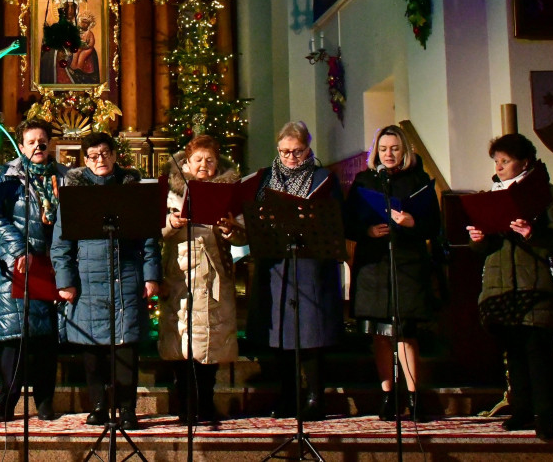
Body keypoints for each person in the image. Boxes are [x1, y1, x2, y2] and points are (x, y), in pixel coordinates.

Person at [51, 132, 161, 431]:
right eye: (93, 155)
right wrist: (66, 282)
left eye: (105, 153)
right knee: (92, 349)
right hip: (87, 279)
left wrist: (150, 275)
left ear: (115, 155)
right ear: (84, 159)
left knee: (126, 346)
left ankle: (127, 408)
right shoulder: (74, 193)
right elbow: (61, 245)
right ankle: (98, 405)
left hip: (126, 275)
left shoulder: (131, 189)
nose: (100, 160)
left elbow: (149, 239)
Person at [467, 133, 553, 441]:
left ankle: (544, 415)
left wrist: (531, 233)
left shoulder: (546, 195)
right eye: (496, 161)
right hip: (502, 287)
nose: (499, 167)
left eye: (505, 161)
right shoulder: (493, 195)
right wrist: (479, 240)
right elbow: (485, 251)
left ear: (524, 161)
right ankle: (522, 409)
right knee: (514, 352)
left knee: (537, 352)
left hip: (534, 285)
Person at [243, 121, 344, 421]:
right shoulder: (265, 178)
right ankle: (288, 396)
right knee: (282, 336)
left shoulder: (323, 178)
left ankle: (315, 397)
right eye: (284, 151)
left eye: (297, 152)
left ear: (308, 149)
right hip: (276, 263)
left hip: (311, 263)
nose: (290, 158)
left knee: (310, 333)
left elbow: (335, 220)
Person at [344, 125, 440, 421]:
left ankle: (414, 395)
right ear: (376, 152)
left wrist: (412, 223)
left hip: (407, 263)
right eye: (383, 149)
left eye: (394, 149)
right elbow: (347, 223)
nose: (389, 154)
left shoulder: (418, 180)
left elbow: (434, 225)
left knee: (405, 333)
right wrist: (368, 230)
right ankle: (388, 394)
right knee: (379, 333)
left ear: (405, 151)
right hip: (373, 265)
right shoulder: (364, 181)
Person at [0, 119, 69, 422]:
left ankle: (45, 402)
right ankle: (6, 404)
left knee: (47, 338)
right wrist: (19, 251)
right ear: (22, 146)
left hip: (53, 264)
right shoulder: (8, 179)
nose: (38, 145)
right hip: (20, 264)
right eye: (32, 141)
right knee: (17, 337)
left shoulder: (63, 177)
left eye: (43, 140)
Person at [159, 134, 240, 424]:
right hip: (180, 274)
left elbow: (242, 231)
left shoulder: (230, 191)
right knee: (181, 343)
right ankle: (185, 404)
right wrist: (171, 223)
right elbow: (153, 230)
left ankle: (205, 402)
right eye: (198, 160)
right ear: (187, 163)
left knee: (211, 343)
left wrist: (231, 227)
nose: (203, 165)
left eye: (210, 160)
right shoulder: (170, 193)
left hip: (215, 273)